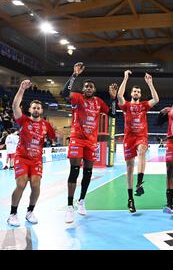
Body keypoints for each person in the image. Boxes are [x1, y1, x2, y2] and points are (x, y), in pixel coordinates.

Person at [62, 62, 117, 223]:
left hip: (91, 142)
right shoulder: (77, 98)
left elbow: (113, 115)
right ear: (83, 89)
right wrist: (74, 75)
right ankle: (69, 206)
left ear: (94, 90)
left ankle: (81, 201)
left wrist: (113, 98)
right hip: (77, 139)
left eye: (91, 87)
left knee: (88, 172)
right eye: (86, 86)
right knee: (74, 171)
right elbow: (64, 92)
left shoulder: (99, 102)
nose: (88, 88)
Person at [7, 79, 56, 227]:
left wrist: (57, 137)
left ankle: (30, 211)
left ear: (42, 111)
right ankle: (13, 214)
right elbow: (15, 105)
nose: (36, 109)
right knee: (21, 184)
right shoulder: (23, 121)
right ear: (29, 110)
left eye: (38, 108)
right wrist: (22, 89)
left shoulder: (47, 125)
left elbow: (54, 137)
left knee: (36, 185)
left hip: (36, 160)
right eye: (34, 107)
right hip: (22, 158)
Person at [117, 70, 159, 213]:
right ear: (131, 93)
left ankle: (139, 182)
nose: (136, 93)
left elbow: (156, 99)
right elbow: (119, 96)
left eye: (138, 91)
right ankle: (130, 199)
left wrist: (150, 83)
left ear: (140, 95)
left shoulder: (144, 106)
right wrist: (125, 78)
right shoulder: (126, 105)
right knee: (129, 167)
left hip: (141, 136)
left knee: (142, 150)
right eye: (134, 91)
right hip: (128, 138)